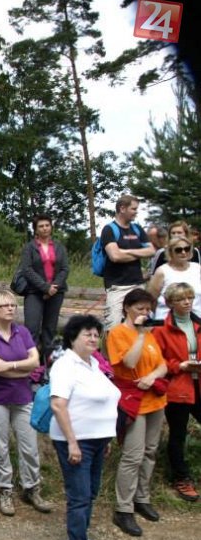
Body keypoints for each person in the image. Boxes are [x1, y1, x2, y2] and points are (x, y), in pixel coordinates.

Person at [49, 315, 121, 540]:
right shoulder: (65, 365)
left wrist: (106, 438)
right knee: (79, 496)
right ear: (73, 338)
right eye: (87, 334)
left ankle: (80, 538)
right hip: (76, 440)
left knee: (90, 493)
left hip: (97, 440)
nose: (93, 338)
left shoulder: (93, 364)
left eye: (96, 334)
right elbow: (58, 405)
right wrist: (72, 442)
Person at [0, 289, 53, 516]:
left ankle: (32, 487)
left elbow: (35, 361)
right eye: (5, 305)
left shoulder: (23, 332)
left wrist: (10, 366)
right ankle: (4, 488)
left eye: (13, 305)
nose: (11, 308)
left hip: (22, 396)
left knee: (29, 445)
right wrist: (23, 370)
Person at [106, 288, 168, 537]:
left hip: (154, 398)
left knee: (150, 451)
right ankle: (124, 508)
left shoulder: (151, 334)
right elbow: (129, 362)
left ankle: (142, 497)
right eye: (140, 308)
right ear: (127, 308)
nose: (145, 312)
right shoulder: (118, 333)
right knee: (133, 454)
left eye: (148, 309)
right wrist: (141, 335)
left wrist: (152, 376)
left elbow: (162, 365)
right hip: (132, 399)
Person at [152, 282, 201, 502]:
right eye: (181, 299)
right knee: (178, 434)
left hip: (198, 383)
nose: (187, 302)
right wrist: (178, 365)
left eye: (190, 298)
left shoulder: (198, 323)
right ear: (170, 303)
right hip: (177, 387)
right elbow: (156, 359)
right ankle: (181, 478)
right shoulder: (161, 328)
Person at [19, 213, 69, 360]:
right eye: (41, 226)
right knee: (32, 327)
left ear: (51, 227)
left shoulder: (59, 247)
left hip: (56, 293)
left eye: (47, 225)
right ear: (35, 229)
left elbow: (65, 269)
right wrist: (45, 287)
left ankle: (47, 363)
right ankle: (31, 362)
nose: (45, 228)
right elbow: (27, 269)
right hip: (34, 292)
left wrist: (54, 287)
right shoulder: (29, 248)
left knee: (49, 329)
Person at [100, 194, 154, 329]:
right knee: (114, 326)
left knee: (143, 325)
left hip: (137, 284)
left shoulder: (137, 229)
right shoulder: (109, 229)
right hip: (117, 287)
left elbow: (151, 251)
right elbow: (115, 256)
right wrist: (139, 253)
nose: (136, 212)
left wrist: (126, 251)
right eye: (133, 209)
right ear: (122, 208)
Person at [147, 236, 201, 320]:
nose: (183, 252)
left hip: (196, 320)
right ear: (170, 252)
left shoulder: (197, 268)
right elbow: (151, 299)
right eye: (178, 250)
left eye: (187, 249)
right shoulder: (162, 271)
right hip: (167, 321)